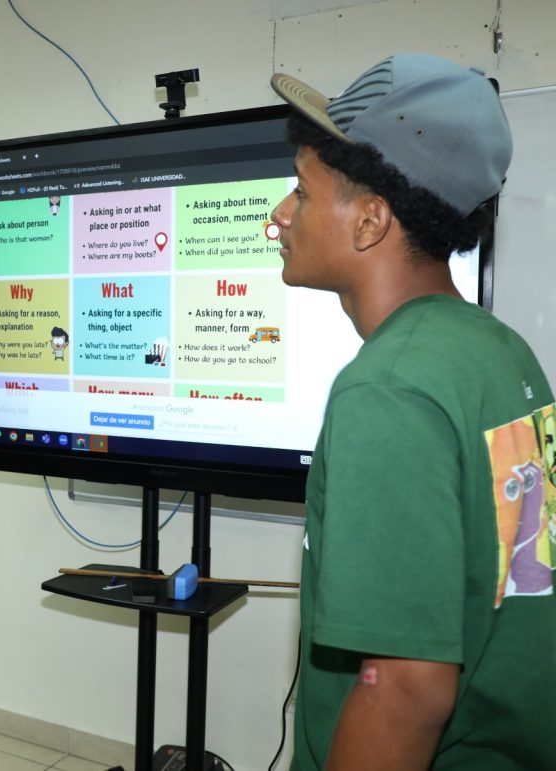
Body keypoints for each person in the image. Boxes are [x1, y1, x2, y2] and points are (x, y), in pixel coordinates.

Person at [269, 54, 556, 770]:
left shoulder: (387, 389)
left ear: (370, 220)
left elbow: (403, 687)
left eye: (301, 191)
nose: (280, 215)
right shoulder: (499, 352)